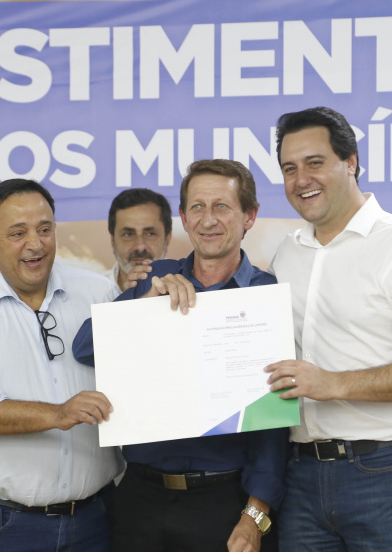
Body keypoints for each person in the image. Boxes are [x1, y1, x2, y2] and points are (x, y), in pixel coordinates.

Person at [263, 107, 392, 551]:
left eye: (315, 163)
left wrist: (331, 383)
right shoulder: (287, 254)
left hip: (387, 474)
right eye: (289, 168)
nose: (301, 179)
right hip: (301, 476)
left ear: (350, 161)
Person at [73, 159, 288, 552]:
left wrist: (255, 514)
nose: (208, 220)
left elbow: (273, 426)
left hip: (226, 502)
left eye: (222, 206)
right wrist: (144, 307)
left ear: (249, 216)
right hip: (141, 498)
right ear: (184, 219)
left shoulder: (266, 296)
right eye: (197, 208)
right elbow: (84, 349)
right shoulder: (156, 279)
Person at [0, 179, 122, 552]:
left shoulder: (98, 293)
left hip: (97, 520)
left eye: (44, 230)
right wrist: (59, 413)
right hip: (9, 529)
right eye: (17, 233)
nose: (35, 245)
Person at [105, 188, 172, 291]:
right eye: (128, 234)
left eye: (150, 234)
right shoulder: (93, 293)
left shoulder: (193, 291)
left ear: (167, 238)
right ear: (112, 240)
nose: (140, 247)